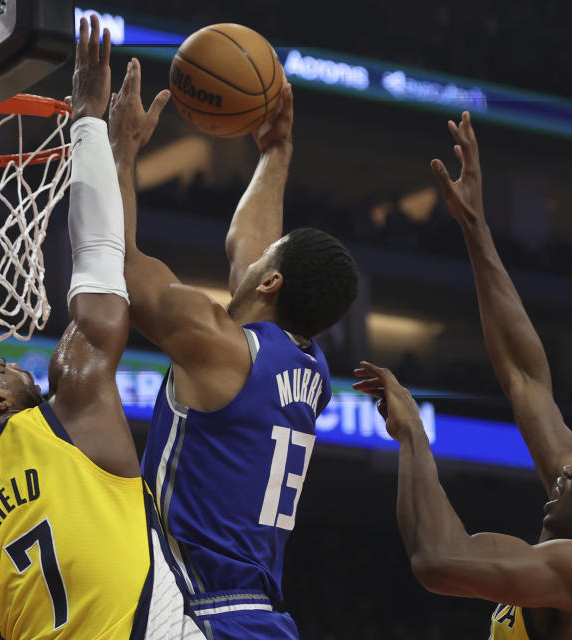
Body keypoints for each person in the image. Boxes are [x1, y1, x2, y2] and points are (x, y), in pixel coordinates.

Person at [0, 17, 204, 640]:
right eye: (5, 367)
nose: (17, 365)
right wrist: (88, 121)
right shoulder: (70, 408)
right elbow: (99, 255)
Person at [352, 112, 572, 640]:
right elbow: (524, 376)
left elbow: (438, 559)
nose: (565, 465)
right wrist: (475, 228)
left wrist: (413, 435)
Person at [108, 61, 359, 638]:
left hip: (197, 611)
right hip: (261, 618)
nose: (259, 253)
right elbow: (251, 246)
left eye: (271, 258)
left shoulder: (217, 346)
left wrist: (121, 151)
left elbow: (120, 263)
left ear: (270, 282)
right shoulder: (309, 368)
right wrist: (275, 156)